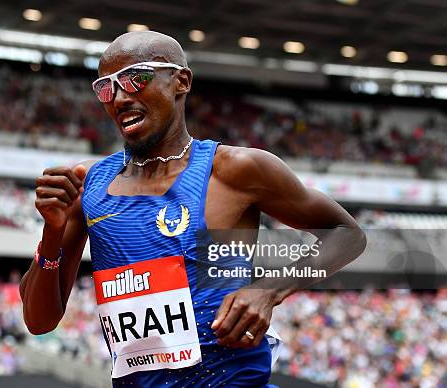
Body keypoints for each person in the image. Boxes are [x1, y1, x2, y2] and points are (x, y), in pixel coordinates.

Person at [20, 31, 366, 387]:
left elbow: (347, 233)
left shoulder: (236, 170)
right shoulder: (88, 184)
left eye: (135, 78)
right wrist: (52, 233)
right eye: (106, 88)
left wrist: (270, 289)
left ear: (180, 81)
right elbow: (39, 321)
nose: (120, 97)